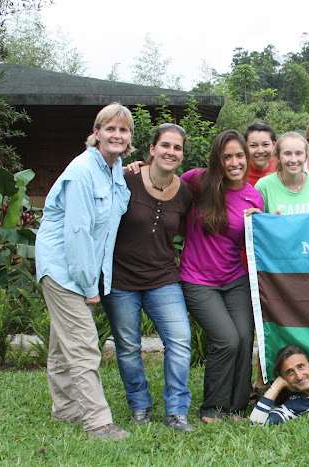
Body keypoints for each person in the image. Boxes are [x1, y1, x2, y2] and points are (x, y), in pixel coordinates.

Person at [35, 103, 133, 441]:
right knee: (83, 343)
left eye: (123, 130)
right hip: (64, 267)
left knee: (64, 343)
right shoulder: (82, 171)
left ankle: (65, 408)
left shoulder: (114, 168)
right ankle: (97, 422)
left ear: (130, 137)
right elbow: (77, 233)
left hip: (79, 266)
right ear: (96, 133)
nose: (117, 135)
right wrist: (90, 284)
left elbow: (112, 216)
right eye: (110, 128)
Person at [102, 124, 194, 432]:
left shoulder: (185, 194)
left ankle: (177, 411)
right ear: (152, 149)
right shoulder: (125, 180)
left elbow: (185, 230)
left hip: (163, 278)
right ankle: (139, 405)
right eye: (165, 145)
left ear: (182, 155)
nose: (171, 152)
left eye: (177, 148)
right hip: (121, 280)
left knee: (180, 341)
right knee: (127, 346)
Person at [179, 130, 264, 423]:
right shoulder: (197, 180)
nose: (234, 162)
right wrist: (136, 169)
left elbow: (258, 240)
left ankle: (237, 407)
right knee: (226, 339)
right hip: (197, 279)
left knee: (243, 338)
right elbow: (164, 191)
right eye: (227, 156)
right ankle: (213, 408)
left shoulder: (254, 196)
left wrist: (262, 220)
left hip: (234, 278)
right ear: (218, 158)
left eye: (239, 155)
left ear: (246, 157)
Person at [254, 131, 309, 214]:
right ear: (278, 156)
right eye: (287, 154)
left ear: (306, 156)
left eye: (299, 153)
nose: (293, 160)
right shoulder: (263, 186)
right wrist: (271, 221)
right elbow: (258, 222)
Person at [245, 122, 277, 186]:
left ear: (274, 144)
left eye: (265, 145)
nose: (260, 151)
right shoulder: (239, 172)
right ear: (245, 146)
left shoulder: (281, 167)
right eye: (253, 145)